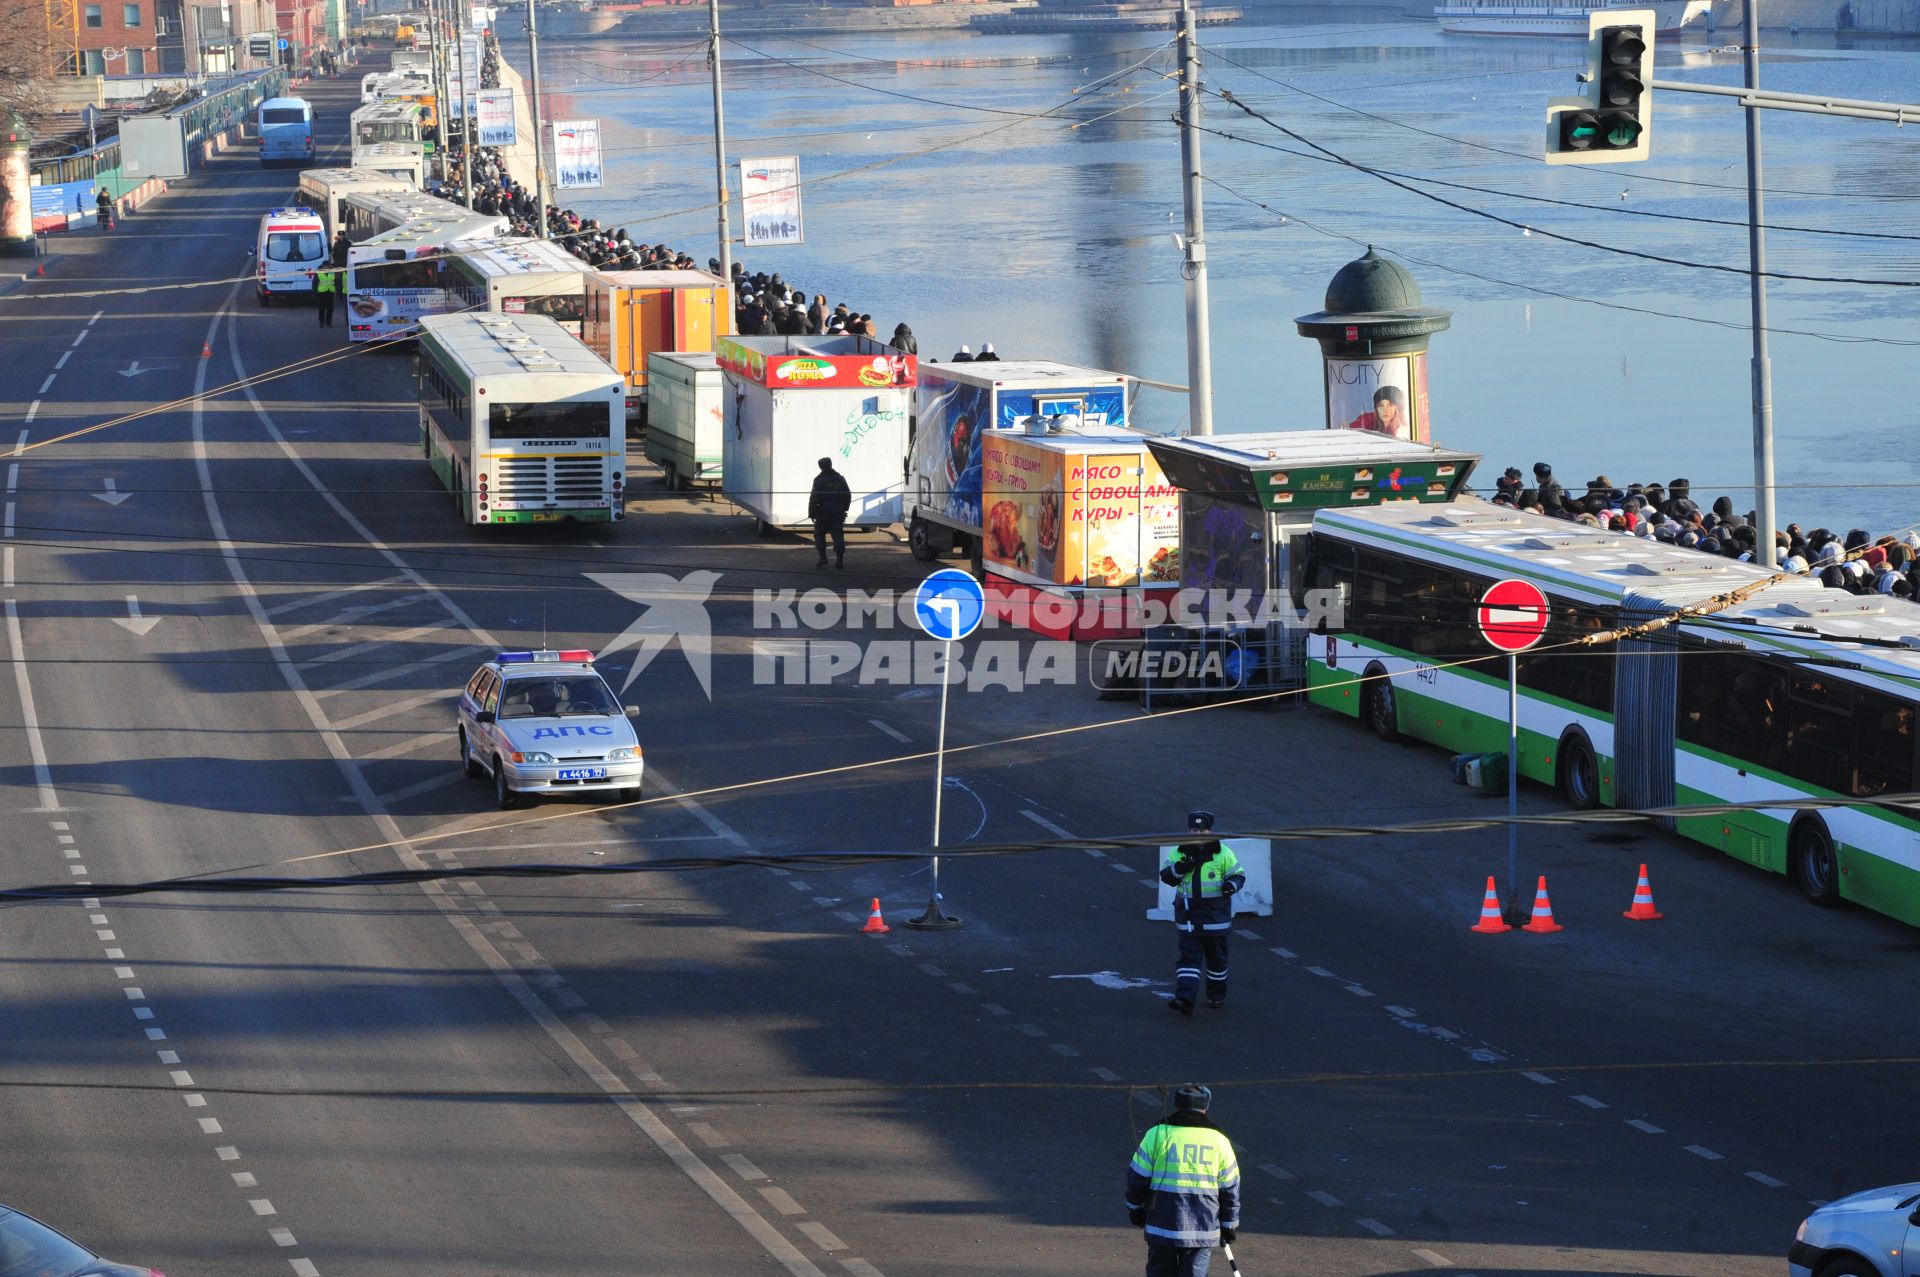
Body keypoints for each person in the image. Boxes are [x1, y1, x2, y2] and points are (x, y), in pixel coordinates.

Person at [1125, 1083, 1241, 1277]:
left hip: (1162, 1224)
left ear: (1178, 1104)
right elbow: (1230, 1188)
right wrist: (1228, 1225)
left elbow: (1137, 1177)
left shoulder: (1157, 1134)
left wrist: (1135, 1208)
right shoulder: (1219, 1141)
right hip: (1203, 1227)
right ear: (1205, 1107)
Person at [1160, 811, 1244, 1014]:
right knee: (1188, 960)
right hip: (1188, 919)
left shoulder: (1223, 852)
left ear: (1210, 831)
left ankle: (1216, 995)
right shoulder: (1179, 852)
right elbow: (1166, 876)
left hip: (1216, 919)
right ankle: (1185, 999)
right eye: (1194, 829)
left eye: (1202, 830)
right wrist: (1179, 869)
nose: (1197, 833)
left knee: (1217, 962)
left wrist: (1230, 886)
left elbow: (1238, 875)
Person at [808, 457, 851, 569]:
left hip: (822, 512)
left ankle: (823, 558)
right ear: (831, 464)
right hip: (837, 511)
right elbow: (847, 495)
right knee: (838, 535)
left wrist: (812, 513)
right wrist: (844, 509)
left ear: (820, 467)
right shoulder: (840, 479)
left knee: (819, 534)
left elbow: (814, 498)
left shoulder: (818, 480)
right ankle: (840, 560)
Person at [314, 262, 341, 328]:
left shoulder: (332, 272)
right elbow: (315, 283)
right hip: (321, 293)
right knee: (322, 308)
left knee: (330, 308)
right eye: (327, 266)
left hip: (330, 292)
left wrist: (338, 291)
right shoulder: (318, 273)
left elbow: (336, 282)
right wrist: (315, 293)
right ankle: (321, 322)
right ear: (324, 266)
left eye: (329, 266)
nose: (328, 267)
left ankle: (328, 322)